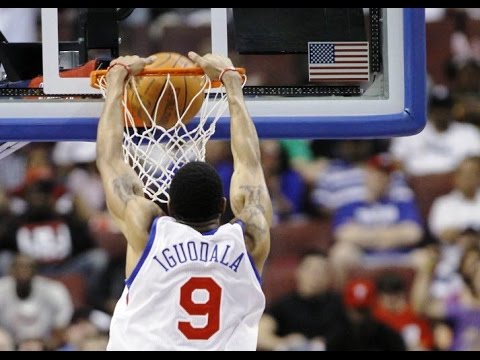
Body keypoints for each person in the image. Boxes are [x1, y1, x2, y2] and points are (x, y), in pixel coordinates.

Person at [96, 52, 272, 351]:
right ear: (222, 204)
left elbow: (110, 161)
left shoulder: (148, 229)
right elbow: (250, 165)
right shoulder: (251, 237)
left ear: (169, 207)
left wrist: (116, 80)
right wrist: (230, 81)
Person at [257, 251, 349, 351]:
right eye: (311, 270)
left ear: (329, 277)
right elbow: (260, 334)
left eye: (321, 271)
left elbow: (347, 333)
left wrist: (319, 345)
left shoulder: (339, 304)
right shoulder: (284, 305)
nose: (315, 276)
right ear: (298, 272)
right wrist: (284, 345)